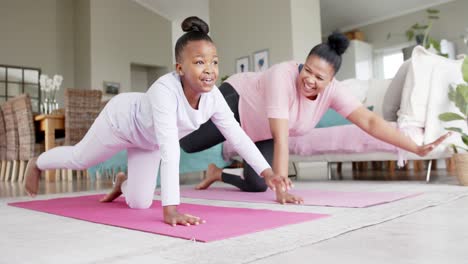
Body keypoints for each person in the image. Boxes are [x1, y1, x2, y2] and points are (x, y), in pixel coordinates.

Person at [23, 16, 291, 227]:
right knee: (80, 159)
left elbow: (237, 135)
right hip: (120, 123)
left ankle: (122, 183)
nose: (209, 69)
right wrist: (171, 209)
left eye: (214, 62)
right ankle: (38, 162)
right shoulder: (164, 91)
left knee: (139, 203)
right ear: (180, 68)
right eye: (199, 62)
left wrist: (267, 173)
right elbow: (170, 150)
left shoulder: (213, 98)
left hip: (147, 141)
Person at [180, 32, 451, 202]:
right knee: (188, 143)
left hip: (258, 129)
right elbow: (282, 138)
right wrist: (283, 189)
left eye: (319, 77)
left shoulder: (334, 92)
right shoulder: (281, 76)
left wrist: (414, 147)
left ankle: (216, 173)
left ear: (331, 81)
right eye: (307, 70)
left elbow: (369, 122)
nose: (309, 79)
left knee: (256, 185)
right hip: (237, 102)